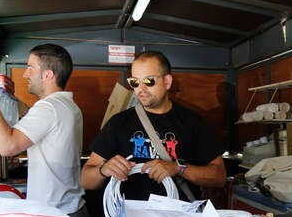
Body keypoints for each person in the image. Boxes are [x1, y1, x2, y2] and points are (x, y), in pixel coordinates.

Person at [81, 50, 226, 203]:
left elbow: (219, 176)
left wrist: (178, 168)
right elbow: (85, 180)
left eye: (149, 81)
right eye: (135, 82)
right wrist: (103, 170)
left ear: (167, 82)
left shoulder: (191, 121)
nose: (141, 89)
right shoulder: (119, 123)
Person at [0, 43, 87, 217]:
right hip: (70, 210)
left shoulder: (48, 107)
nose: (25, 74)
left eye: (30, 67)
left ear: (48, 74)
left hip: (55, 215)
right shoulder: (67, 105)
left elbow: (8, 147)